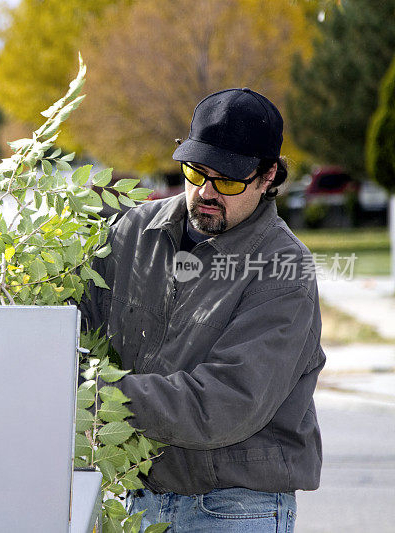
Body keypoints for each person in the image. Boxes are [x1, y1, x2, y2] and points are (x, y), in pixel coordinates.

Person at [79, 88, 324, 532]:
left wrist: (92, 397)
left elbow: (225, 405)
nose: (206, 192)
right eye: (195, 172)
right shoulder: (133, 231)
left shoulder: (284, 269)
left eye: (228, 181)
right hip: (136, 499)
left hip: (233, 509)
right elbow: (75, 330)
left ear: (268, 176)